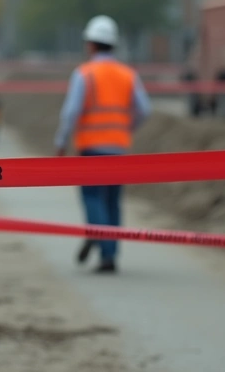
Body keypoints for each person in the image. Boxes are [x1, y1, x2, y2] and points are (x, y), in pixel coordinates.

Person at [53, 15, 151, 274]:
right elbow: (144, 109)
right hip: (118, 147)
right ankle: (110, 253)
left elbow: (71, 112)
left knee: (92, 196)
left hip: (92, 147)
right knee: (113, 200)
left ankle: (98, 233)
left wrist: (61, 141)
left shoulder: (84, 73)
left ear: (91, 44)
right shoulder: (128, 74)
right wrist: (126, 129)